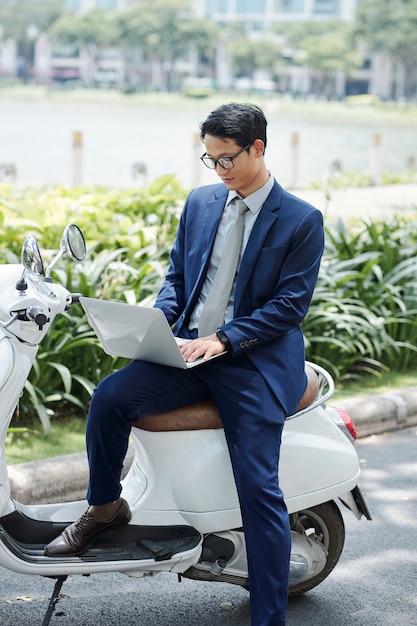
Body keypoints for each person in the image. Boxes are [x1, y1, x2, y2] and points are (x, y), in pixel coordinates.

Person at [45, 102, 324, 626]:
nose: (218, 170)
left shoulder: (302, 219)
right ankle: (105, 508)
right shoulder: (200, 203)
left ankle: (269, 617)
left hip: (253, 363)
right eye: (210, 159)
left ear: (258, 149)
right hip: (186, 351)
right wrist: (156, 318)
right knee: (109, 399)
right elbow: (178, 278)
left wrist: (225, 339)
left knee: (258, 487)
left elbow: (290, 306)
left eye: (226, 159)